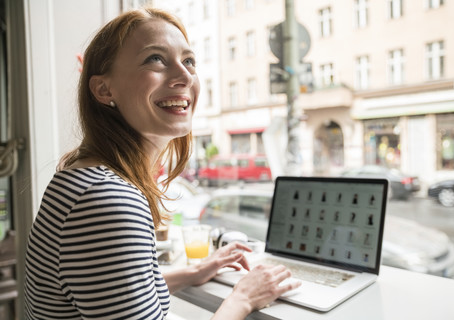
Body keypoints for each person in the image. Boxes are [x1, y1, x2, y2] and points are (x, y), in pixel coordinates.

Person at [24, 7, 300, 320]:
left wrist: (194, 271)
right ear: (103, 89)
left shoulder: (83, 175)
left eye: (189, 61)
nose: (185, 76)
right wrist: (243, 298)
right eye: (155, 58)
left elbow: (114, 292)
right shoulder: (107, 199)